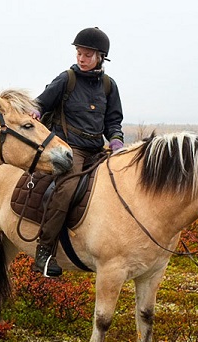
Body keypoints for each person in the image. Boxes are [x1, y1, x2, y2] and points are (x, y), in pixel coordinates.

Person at [33, 27, 124, 277]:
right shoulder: (66, 79)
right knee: (67, 189)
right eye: (79, 53)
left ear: (100, 57)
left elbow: (113, 122)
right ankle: (44, 251)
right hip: (69, 149)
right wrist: (36, 113)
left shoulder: (108, 85)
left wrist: (116, 141)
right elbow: (40, 104)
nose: (81, 59)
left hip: (97, 150)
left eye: (86, 55)